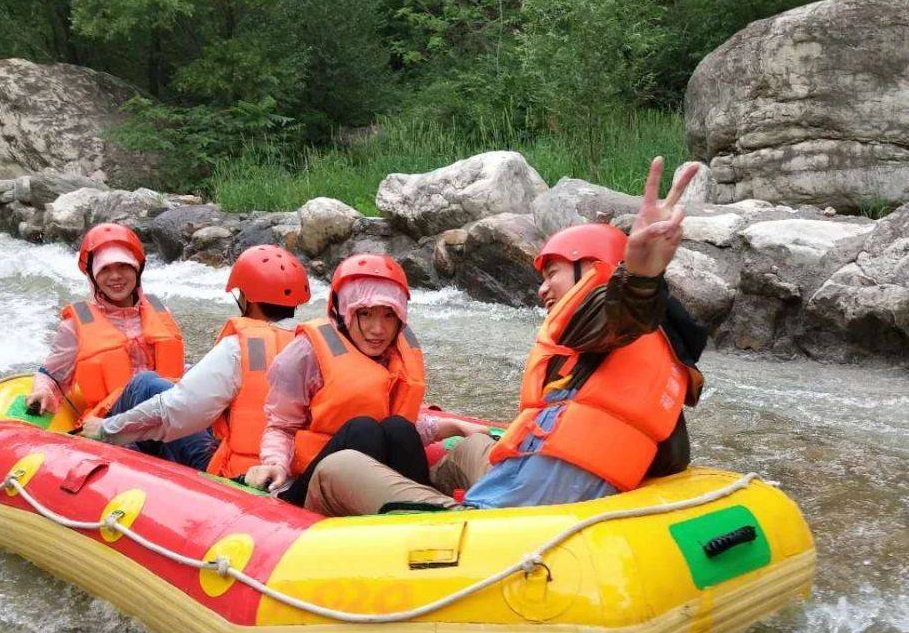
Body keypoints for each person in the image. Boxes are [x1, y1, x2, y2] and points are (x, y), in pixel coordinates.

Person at [301, 156, 707, 518]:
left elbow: (624, 314)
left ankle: (412, 523)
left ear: (595, 272)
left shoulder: (607, 321)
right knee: (467, 450)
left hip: (502, 522)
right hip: (533, 488)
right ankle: (419, 499)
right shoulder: (657, 340)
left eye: (552, 274)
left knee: (337, 470)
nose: (542, 289)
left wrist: (640, 276)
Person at [242, 253, 486, 505]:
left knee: (398, 429)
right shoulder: (305, 354)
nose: (378, 329)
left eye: (388, 315)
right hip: (316, 485)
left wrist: (456, 427)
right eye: (365, 314)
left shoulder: (396, 353)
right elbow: (281, 426)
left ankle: (427, 510)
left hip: (376, 488)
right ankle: (428, 510)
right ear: (342, 311)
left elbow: (400, 422)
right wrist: (275, 464)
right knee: (362, 429)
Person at [80, 245, 311, 475]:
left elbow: (173, 412)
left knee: (145, 384)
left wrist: (107, 428)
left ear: (245, 298)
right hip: (288, 471)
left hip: (234, 474)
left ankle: (99, 453)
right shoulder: (310, 343)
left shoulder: (238, 349)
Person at [26, 223, 184, 422]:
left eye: (123, 266)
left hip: (165, 418)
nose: (115, 276)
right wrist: (42, 390)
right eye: (105, 269)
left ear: (137, 269)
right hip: (112, 423)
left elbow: (178, 368)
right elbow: (51, 375)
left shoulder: (161, 312)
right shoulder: (74, 327)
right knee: (146, 382)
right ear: (92, 275)